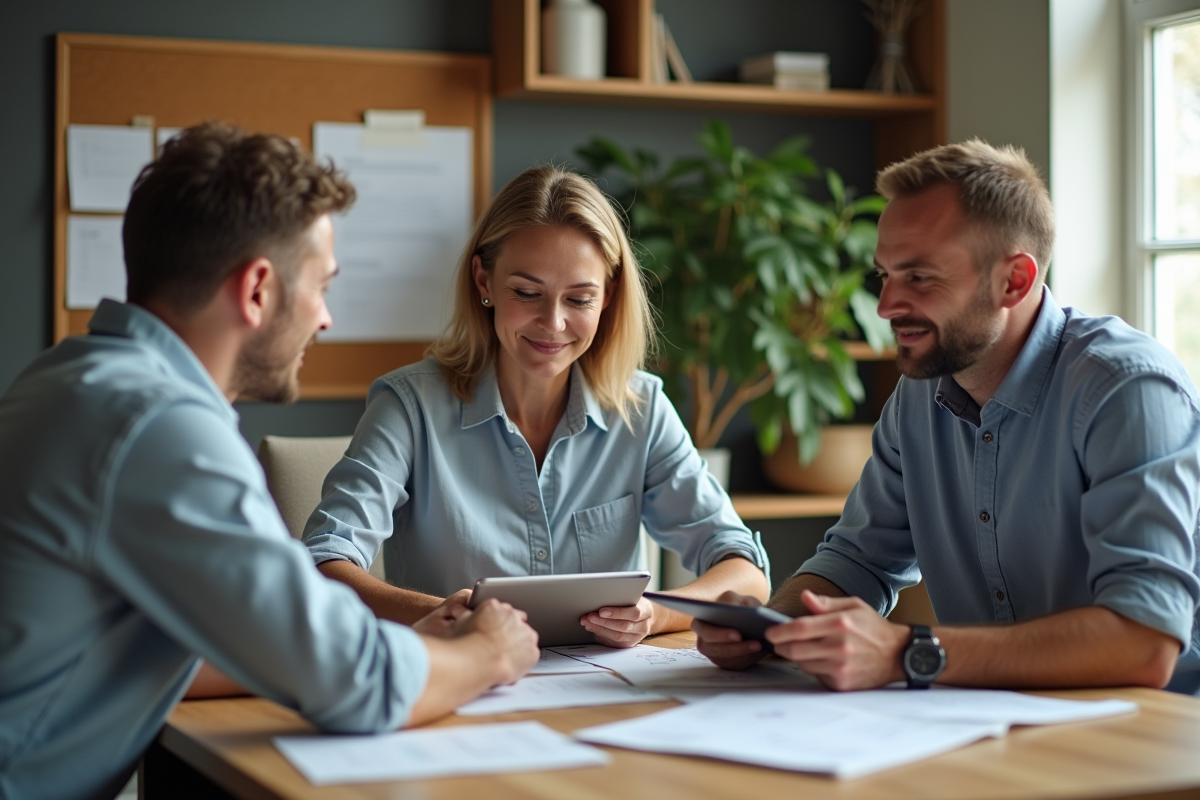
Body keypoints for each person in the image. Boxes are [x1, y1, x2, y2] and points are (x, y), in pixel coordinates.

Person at [0, 123, 538, 800]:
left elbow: (172, 653)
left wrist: (404, 644)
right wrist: (488, 653)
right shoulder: (159, 427)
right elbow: (357, 686)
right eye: (321, 285)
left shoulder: (69, 379)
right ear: (257, 289)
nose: (325, 319)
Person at [695, 139, 1200, 694]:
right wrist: (769, 629)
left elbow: (1145, 642)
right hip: (995, 724)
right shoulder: (920, 394)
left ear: (1015, 281)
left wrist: (908, 652)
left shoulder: (1126, 389)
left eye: (920, 277)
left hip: (1155, 738)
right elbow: (857, 562)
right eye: (884, 274)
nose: (886, 306)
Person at [302, 165, 770, 647]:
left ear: (607, 296)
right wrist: (438, 615)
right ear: (483, 280)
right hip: (459, 686)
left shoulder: (642, 406)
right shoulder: (409, 406)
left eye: (580, 299)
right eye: (527, 293)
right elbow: (322, 562)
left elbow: (744, 570)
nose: (554, 323)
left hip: (603, 696)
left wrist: (655, 614)